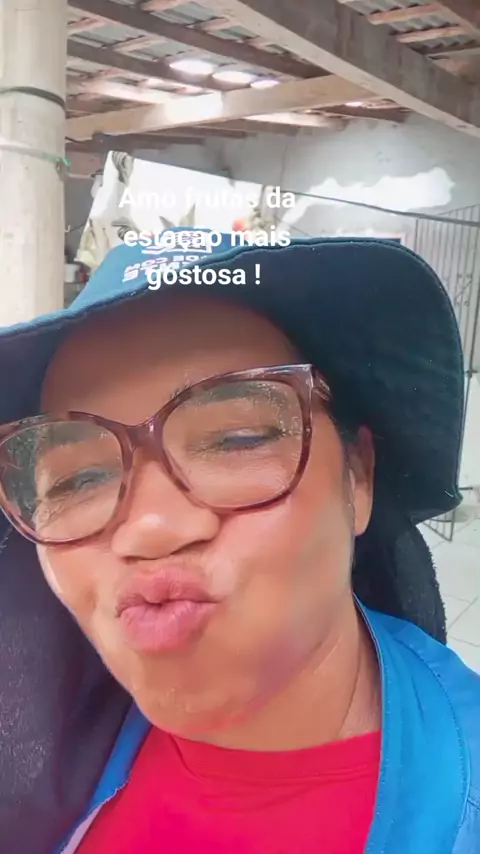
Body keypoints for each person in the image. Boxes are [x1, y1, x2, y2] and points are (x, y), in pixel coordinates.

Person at [0, 228, 478, 854]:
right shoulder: (39, 750)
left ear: (358, 477)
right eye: (77, 479)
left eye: (237, 440)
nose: (149, 529)